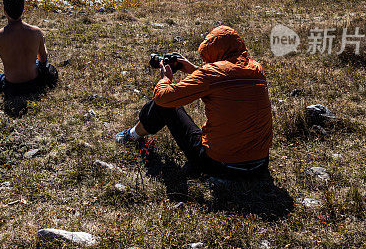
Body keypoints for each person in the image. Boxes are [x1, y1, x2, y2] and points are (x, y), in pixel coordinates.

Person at [116, 25, 272, 180]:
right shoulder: (256, 69)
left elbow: (163, 97)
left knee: (164, 105)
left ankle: (131, 136)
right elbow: (225, 80)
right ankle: (133, 134)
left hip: (222, 166)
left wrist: (165, 79)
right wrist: (193, 69)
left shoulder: (211, 74)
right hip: (260, 165)